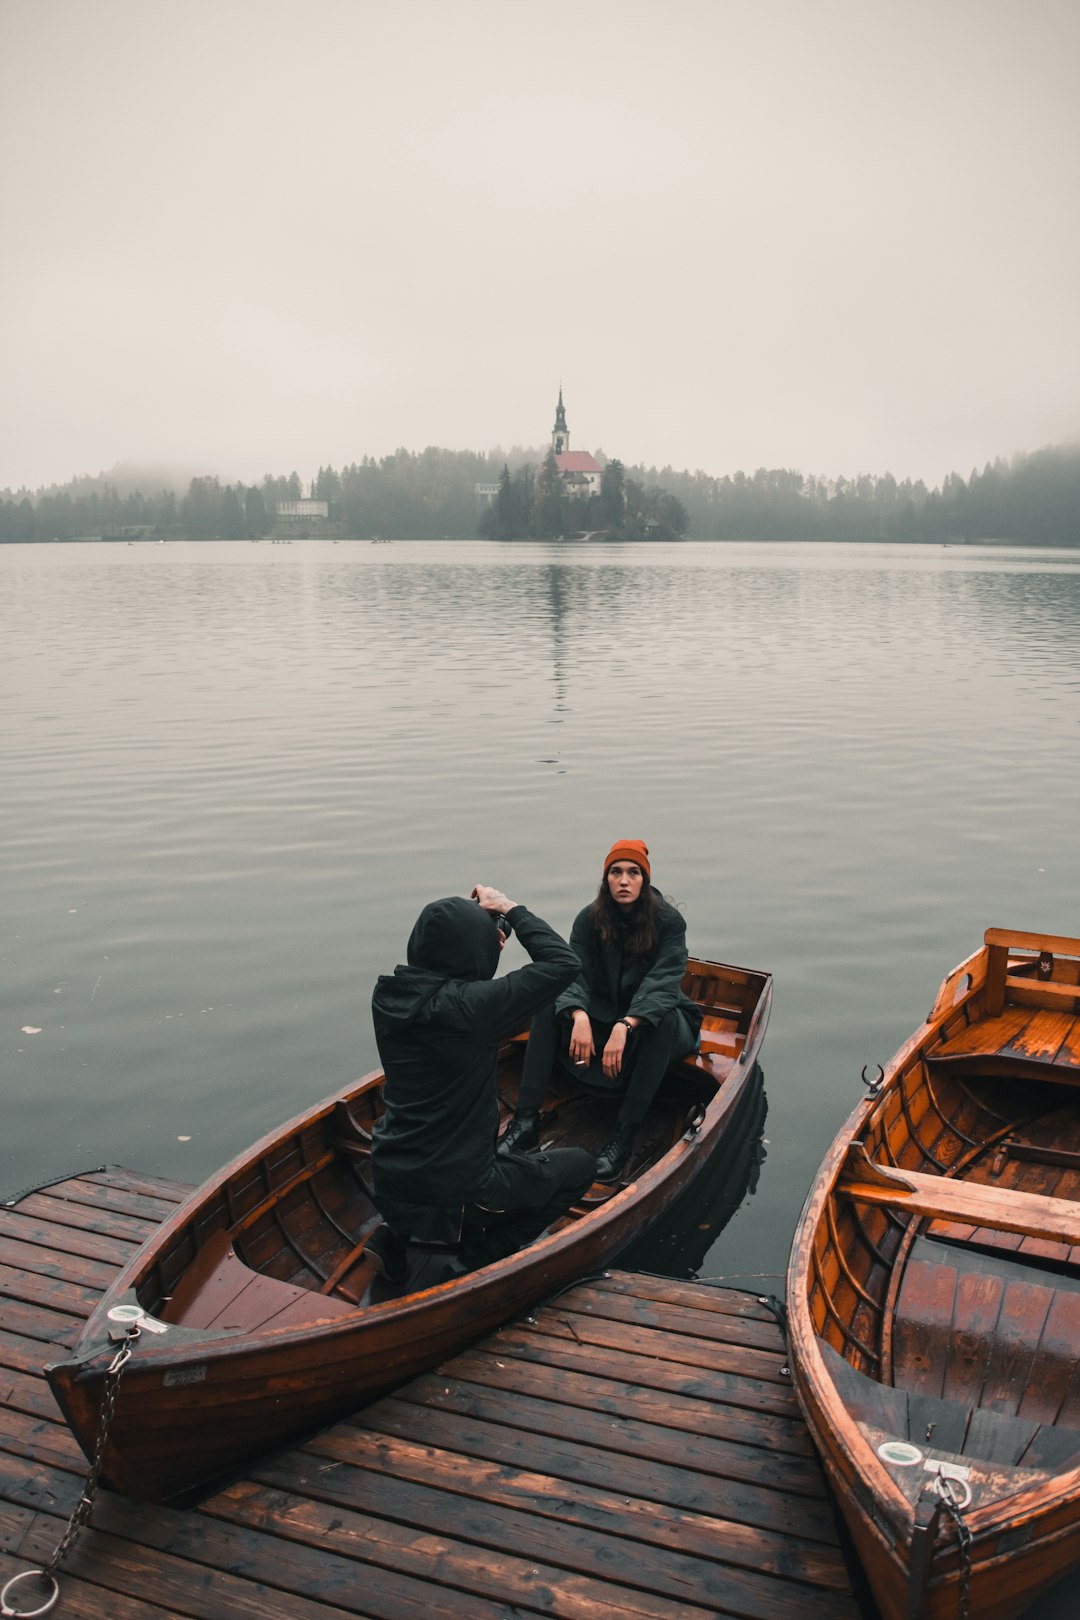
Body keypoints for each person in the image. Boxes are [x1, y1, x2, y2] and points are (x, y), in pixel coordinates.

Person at [367, 884, 597, 1288]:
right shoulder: (473, 1007)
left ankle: (394, 1238)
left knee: (423, 1171)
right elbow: (563, 964)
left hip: (389, 1173)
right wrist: (509, 907)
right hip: (459, 1189)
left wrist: (482, 945)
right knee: (579, 1167)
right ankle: (477, 1262)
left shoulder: (388, 994)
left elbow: (451, 978)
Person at [498, 840, 703, 1183]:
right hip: (605, 1012)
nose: (624, 880)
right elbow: (572, 971)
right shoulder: (590, 918)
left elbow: (663, 984)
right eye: (616, 872)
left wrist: (626, 1025)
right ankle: (525, 1122)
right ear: (606, 879)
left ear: (644, 879)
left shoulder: (669, 923)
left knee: (662, 1021)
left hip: (661, 1016)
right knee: (549, 1003)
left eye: (633, 873)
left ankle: (623, 1135)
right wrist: (577, 1014)